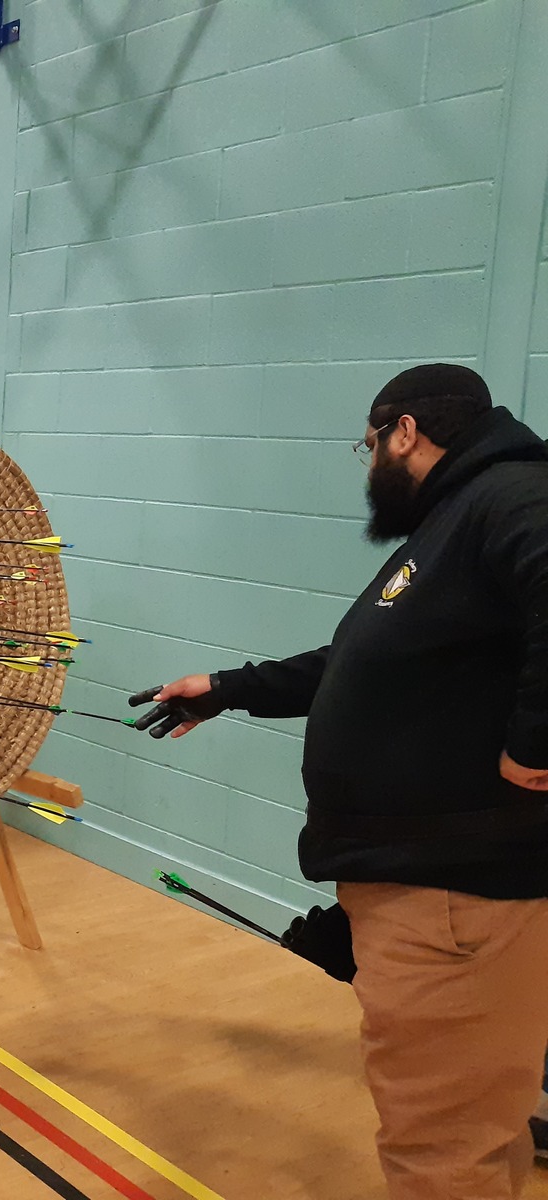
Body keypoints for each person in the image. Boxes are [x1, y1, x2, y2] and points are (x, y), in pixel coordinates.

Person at [129, 363, 548, 1200]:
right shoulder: (455, 522)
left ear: (404, 432)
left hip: (456, 900)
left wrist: (536, 743)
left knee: (442, 1152)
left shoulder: (510, 495)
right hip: (435, 893)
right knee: (476, 1137)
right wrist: (233, 688)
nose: (368, 467)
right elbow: (370, 666)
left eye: (368, 446)